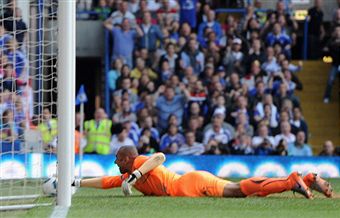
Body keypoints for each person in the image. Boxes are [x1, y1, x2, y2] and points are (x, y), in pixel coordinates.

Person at [72, 146, 333, 199]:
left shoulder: (139, 162)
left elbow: (160, 157)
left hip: (188, 185)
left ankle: (291, 181)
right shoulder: (125, 175)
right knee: (241, 190)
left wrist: (137, 176)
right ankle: (306, 179)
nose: (115, 162)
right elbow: (105, 181)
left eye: (118, 158)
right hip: (190, 184)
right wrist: (75, 182)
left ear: (128, 158)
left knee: (239, 190)